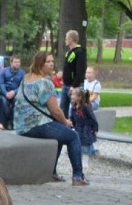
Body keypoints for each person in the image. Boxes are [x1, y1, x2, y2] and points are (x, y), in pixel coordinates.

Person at [14, 51, 88, 186]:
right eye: (48, 62)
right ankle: (78, 176)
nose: (51, 64)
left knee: (59, 135)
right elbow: (56, 110)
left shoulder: (25, 79)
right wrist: (66, 122)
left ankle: (51, 172)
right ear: (40, 63)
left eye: (52, 61)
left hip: (21, 126)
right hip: (36, 125)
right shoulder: (45, 83)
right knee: (72, 136)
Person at [69, 88, 98, 172]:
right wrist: (71, 125)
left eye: (74, 94)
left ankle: (85, 162)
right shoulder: (73, 105)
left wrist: (95, 129)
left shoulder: (86, 107)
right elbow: (72, 117)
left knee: (85, 144)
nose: (72, 96)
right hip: (78, 127)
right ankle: (79, 161)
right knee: (78, 143)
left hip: (86, 128)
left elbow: (92, 118)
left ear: (80, 97)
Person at [60, 30, 86, 117]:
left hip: (74, 86)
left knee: (76, 109)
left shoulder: (80, 52)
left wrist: (74, 86)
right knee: (62, 109)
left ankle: (76, 128)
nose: (65, 40)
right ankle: (64, 128)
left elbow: (80, 71)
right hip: (65, 85)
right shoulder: (69, 53)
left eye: (66, 38)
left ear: (71, 39)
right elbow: (68, 68)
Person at [0, 54, 25, 125]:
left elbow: (22, 85)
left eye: (18, 62)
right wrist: (5, 93)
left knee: (17, 101)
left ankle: (11, 122)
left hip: (16, 93)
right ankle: (4, 122)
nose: (17, 64)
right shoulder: (4, 71)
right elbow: (1, 83)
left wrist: (14, 92)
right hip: (5, 93)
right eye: (15, 62)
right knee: (4, 102)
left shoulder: (22, 73)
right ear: (11, 62)